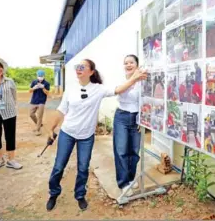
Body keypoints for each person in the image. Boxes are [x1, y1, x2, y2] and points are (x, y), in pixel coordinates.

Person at [45, 59, 146, 211]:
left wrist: (134, 78)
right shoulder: (70, 89)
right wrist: (50, 129)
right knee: (59, 166)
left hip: (86, 136)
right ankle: (53, 193)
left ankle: (80, 195)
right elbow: (61, 111)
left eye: (83, 67)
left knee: (83, 167)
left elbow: (118, 89)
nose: (78, 69)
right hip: (68, 132)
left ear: (91, 72)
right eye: (77, 67)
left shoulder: (98, 89)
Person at [113, 54, 146, 198]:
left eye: (131, 62)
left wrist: (142, 119)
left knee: (134, 151)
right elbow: (119, 91)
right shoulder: (121, 79)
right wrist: (134, 78)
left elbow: (144, 101)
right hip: (122, 117)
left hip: (136, 118)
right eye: (125, 63)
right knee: (121, 151)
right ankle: (123, 183)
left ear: (137, 65)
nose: (128, 65)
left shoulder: (143, 82)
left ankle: (131, 179)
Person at [29, 70, 50, 136]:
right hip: (34, 101)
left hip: (42, 101)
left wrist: (43, 88)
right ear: (37, 76)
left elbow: (47, 93)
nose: (40, 77)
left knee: (39, 116)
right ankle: (39, 124)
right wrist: (34, 88)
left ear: (44, 76)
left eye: (41, 76)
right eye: (39, 76)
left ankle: (38, 130)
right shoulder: (34, 82)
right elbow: (30, 91)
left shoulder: (47, 83)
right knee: (31, 114)